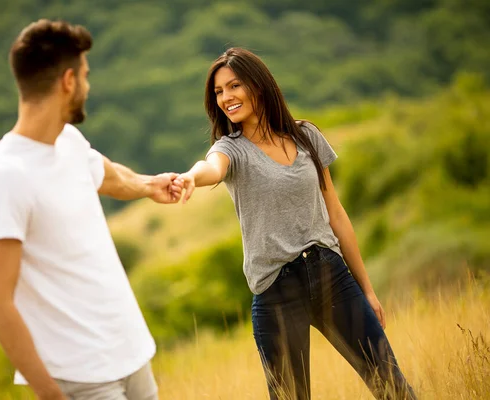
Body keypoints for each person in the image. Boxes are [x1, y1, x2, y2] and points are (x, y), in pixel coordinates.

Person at [177, 48, 416, 399]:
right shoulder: (232, 150)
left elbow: (335, 214)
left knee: (393, 387)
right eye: (218, 92)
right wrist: (189, 178)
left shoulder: (305, 136)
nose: (226, 97)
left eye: (234, 86)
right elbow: (210, 167)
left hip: (330, 273)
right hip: (277, 292)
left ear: (258, 86)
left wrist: (366, 289)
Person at [0, 20, 182, 400]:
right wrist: (49, 394)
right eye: (84, 75)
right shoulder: (2, 176)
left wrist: (151, 185)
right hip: (80, 378)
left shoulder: (68, 140)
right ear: (68, 81)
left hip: (130, 354)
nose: (87, 85)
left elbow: (109, 175)